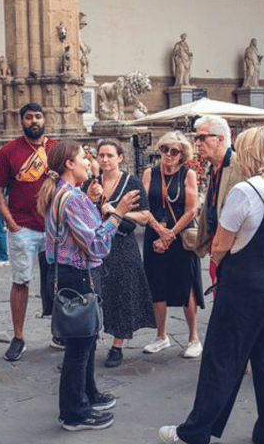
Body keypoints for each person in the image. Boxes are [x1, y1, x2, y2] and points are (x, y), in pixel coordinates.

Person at [158, 126, 264, 444]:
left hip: (245, 287)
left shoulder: (245, 191)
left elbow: (220, 246)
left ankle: (195, 432)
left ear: (249, 154)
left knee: (221, 360)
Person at [37, 140, 139, 431]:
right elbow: (96, 244)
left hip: (71, 274)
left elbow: (84, 231)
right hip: (77, 276)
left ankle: (88, 394)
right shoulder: (72, 198)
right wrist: (117, 214)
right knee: (79, 348)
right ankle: (74, 413)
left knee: (87, 339)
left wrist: (96, 205)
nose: (89, 162)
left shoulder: (65, 193)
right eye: (84, 157)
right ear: (69, 164)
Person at [0, 103, 58, 360]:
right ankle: (18, 337)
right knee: (21, 282)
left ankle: (60, 331)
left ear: (44, 119)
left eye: (38, 116)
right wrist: (11, 224)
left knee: (59, 281)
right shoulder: (9, 151)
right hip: (23, 227)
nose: (34, 121)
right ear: (22, 121)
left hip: (54, 227)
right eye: (29, 117)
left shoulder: (56, 148)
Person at [85, 139, 155, 368]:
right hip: (97, 246)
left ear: (120, 158)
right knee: (95, 295)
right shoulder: (91, 183)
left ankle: (117, 346)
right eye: (101, 155)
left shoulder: (131, 182)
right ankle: (90, 341)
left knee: (122, 294)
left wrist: (117, 213)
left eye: (109, 155)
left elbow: (145, 216)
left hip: (123, 246)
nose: (105, 159)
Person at [142, 131, 204, 358]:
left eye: (174, 151)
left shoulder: (188, 174)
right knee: (156, 284)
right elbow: (145, 206)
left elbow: (191, 209)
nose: (168, 155)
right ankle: (161, 336)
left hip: (180, 237)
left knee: (186, 284)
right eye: (164, 149)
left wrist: (170, 235)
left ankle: (193, 338)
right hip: (154, 235)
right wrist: (159, 230)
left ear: (182, 154)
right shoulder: (150, 173)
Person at [193, 115, 245, 288]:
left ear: (221, 138)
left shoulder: (240, 165)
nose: (197, 143)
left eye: (202, 137)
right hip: (218, 248)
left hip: (237, 250)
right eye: (196, 138)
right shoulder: (214, 167)